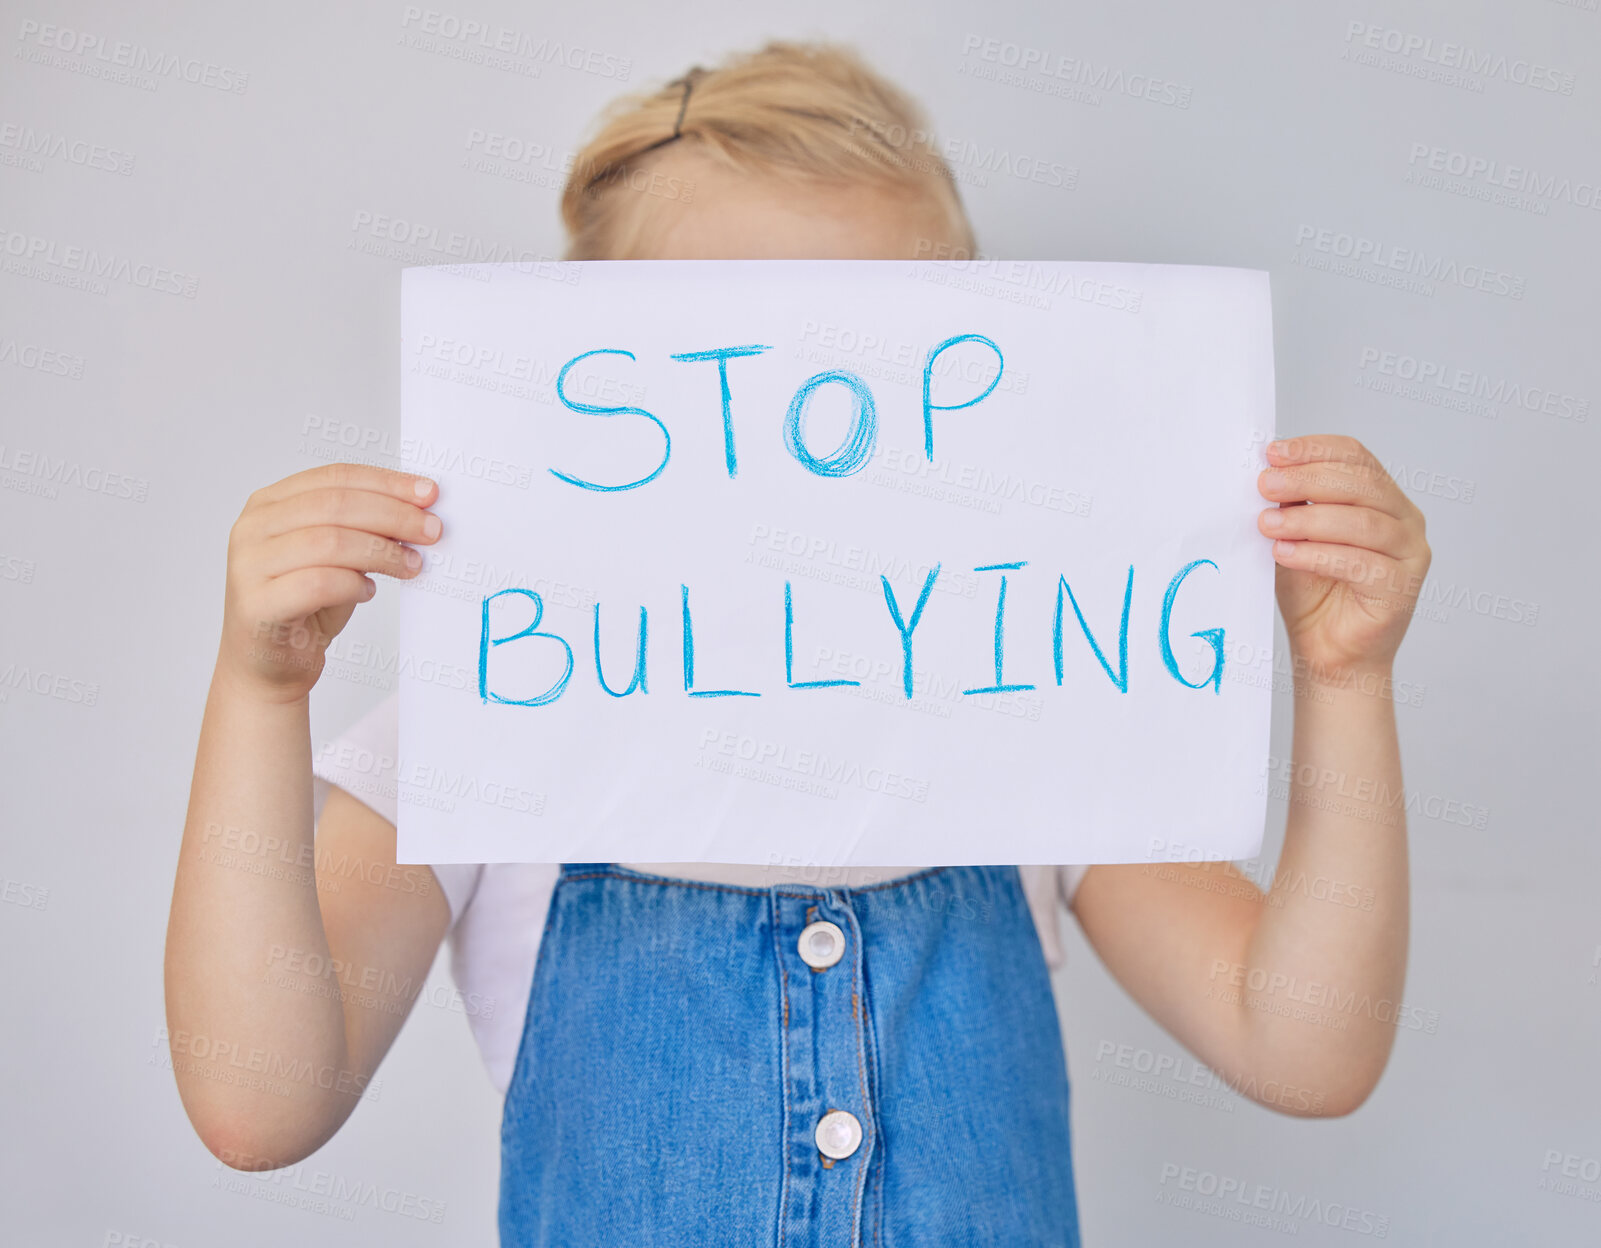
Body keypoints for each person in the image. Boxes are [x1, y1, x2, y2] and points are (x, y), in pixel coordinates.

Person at [165, 40, 1431, 1248]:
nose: (811, 444)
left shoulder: (1032, 728)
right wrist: (257, 692)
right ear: (590, 404)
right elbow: (260, 1103)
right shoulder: (484, 737)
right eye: (732, 371)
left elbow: (1304, 1047)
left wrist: (1343, 681)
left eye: (870, 373)